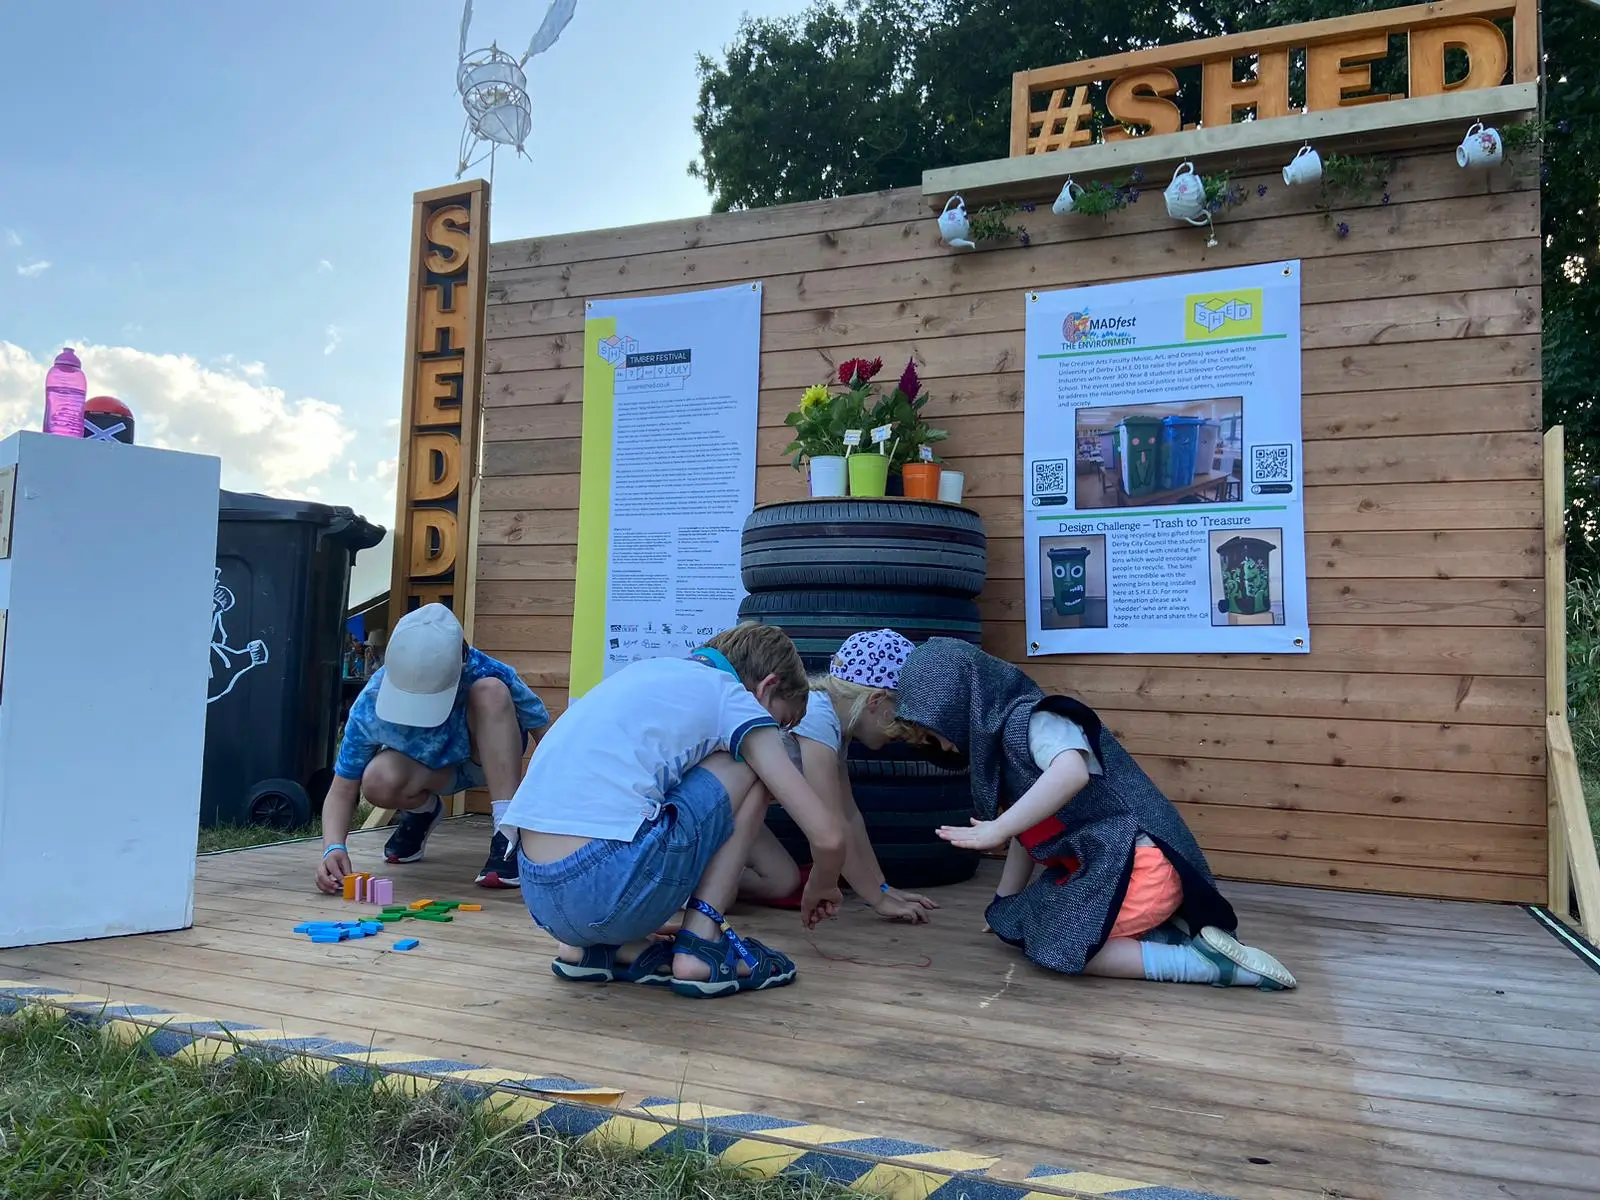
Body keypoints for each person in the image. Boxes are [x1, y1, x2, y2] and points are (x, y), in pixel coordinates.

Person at [834, 631, 1296, 991]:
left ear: (960, 703)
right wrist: (1003, 903)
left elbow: (1070, 773)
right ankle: (1166, 935)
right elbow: (1028, 833)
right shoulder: (1001, 749)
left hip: (1142, 864)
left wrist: (996, 827)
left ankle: (1202, 965)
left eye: (941, 732)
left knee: (1061, 946)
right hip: (1109, 862)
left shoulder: (1036, 719)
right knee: (1022, 923)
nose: (947, 746)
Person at [500, 623, 848, 999]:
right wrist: (824, 884)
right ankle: (702, 945)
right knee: (751, 764)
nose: (776, 730)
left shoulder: (643, 675)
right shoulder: (734, 698)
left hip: (539, 895)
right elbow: (828, 836)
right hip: (607, 881)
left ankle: (593, 949)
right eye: (781, 722)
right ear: (766, 688)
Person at [316, 603, 550, 895]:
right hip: (429, 772)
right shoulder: (370, 702)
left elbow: (548, 737)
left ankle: (508, 832)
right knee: (376, 779)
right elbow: (342, 789)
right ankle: (422, 812)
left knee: (491, 691)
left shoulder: (487, 670)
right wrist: (332, 847)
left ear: (463, 661)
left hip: (485, 762)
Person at [740, 629, 940, 925]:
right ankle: (686, 881)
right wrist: (878, 900)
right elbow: (830, 824)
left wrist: (883, 886)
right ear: (875, 701)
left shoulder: (834, 726)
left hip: (742, 809)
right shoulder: (817, 718)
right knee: (772, 882)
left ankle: (702, 876)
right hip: (723, 804)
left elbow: (850, 817)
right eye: (901, 720)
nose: (901, 734)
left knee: (781, 880)